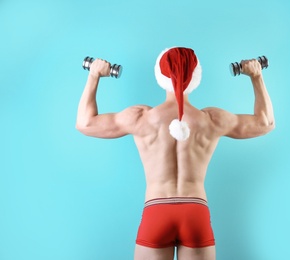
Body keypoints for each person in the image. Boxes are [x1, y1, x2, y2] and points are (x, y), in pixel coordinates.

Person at [76, 47, 275, 260]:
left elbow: (85, 123)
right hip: (195, 211)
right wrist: (256, 75)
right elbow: (266, 123)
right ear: (195, 77)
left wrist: (94, 75)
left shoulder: (141, 118)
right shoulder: (211, 120)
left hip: (156, 210)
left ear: (160, 76)